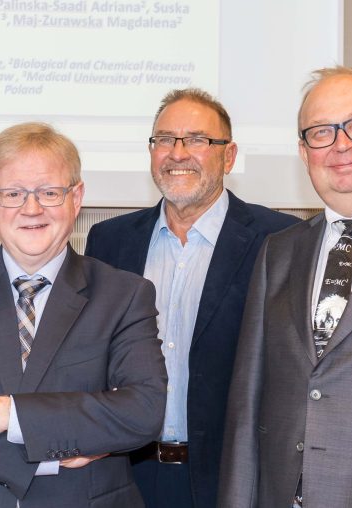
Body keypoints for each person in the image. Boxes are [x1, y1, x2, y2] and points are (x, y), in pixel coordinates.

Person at [0, 122, 167, 507]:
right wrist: (55, 449)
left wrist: (5, 414)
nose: (31, 208)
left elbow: (142, 410)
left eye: (49, 192)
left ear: (77, 197)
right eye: (13, 193)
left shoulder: (125, 295)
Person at [218, 66, 352, 507]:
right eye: (321, 132)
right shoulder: (279, 250)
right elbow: (246, 411)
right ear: (303, 151)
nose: (341, 144)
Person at [84, 88, 297, 508]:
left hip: (229, 478)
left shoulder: (280, 240)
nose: (177, 153)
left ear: (229, 156)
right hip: (124, 475)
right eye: (164, 139)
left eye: (197, 139)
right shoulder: (109, 241)